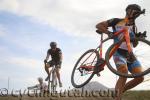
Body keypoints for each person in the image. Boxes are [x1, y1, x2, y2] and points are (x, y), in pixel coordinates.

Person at [96, 4, 144, 100]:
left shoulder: (134, 27)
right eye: (134, 12)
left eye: (137, 13)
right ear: (129, 11)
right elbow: (98, 25)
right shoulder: (116, 21)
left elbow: (134, 45)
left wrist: (138, 38)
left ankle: (119, 91)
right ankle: (117, 98)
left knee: (140, 77)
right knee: (123, 72)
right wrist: (109, 33)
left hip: (129, 54)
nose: (136, 15)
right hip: (118, 52)